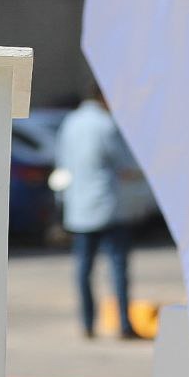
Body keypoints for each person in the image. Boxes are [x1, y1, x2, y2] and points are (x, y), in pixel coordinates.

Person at [57, 88, 143, 340]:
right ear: (104, 96)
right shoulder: (107, 125)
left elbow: (62, 163)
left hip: (78, 207)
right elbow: (126, 166)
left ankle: (87, 324)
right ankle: (124, 325)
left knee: (83, 269)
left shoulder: (70, 123)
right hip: (107, 206)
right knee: (117, 268)